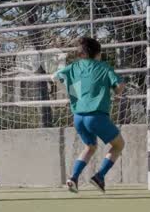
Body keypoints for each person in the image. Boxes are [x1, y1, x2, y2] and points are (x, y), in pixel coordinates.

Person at [56, 37, 125, 193]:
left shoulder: (73, 67)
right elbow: (119, 87)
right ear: (98, 53)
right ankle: (99, 176)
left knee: (90, 147)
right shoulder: (104, 67)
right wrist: (118, 91)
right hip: (96, 116)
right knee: (119, 145)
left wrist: (73, 93)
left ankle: (73, 178)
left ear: (80, 54)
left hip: (78, 117)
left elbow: (54, 77)